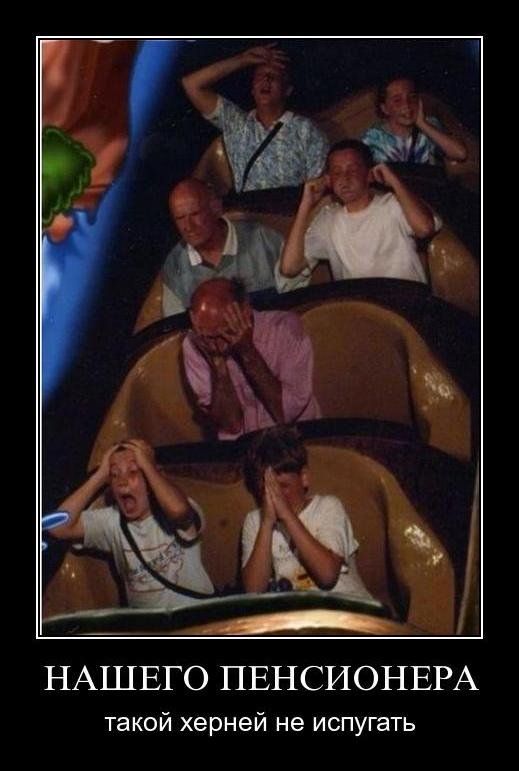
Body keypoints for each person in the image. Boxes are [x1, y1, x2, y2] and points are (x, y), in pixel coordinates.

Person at [50, 439, 215, 608]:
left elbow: (178, 510)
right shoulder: (112, 521)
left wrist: (148, 465)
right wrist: (99, 476)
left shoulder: (173, 509)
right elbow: (57, 527)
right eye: (115, 474)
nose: (122, 481)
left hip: (195, 616)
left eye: (133, 472)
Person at [280, 139, 442, 284]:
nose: (345, 178)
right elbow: (289, 268)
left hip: (404, 298)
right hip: (359, 303)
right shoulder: (329, 219)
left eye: (353, 170)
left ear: (369, 174)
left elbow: (425, 228)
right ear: (329, 180)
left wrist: (394, 182)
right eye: (337, 172)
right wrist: (305, 204)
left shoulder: (392, 205)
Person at [241, 426, 374, 599]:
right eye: (265, 489)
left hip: (347, 605)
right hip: (299, 613)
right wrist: (266, 524)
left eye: (283, 486)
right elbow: (253, 592)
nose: (274, 496)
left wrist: (287, 515)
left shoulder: (328, 507)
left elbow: (327, 576)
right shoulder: (255, 521)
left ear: (304, 477)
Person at [182, 277, 320, 440]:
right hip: (242, 446)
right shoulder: (196, 343)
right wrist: (218, 364)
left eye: (222, 334)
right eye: (208, 337)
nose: (216, 345)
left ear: (245, 311)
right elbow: (231, 425)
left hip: (296, 437)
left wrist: (247, 351)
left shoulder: (285, 329)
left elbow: (286, 413)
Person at [181, 43, 329, 192]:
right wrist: (242, 59)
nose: (266, 80)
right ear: (252, 89)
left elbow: (319, 188)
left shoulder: (306, 130)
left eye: (273, 76)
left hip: (292, 206)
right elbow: (191, 85)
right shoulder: (237, 123)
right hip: (248, 206)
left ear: (287, 90)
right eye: (260, 76)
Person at [162, 178, 309, 316]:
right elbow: (176, 325)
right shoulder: (175, 265)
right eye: (180, 218)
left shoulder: (264, 241)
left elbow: (300, 303)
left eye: (195, 214)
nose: (188, 226)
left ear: (215, 208)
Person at [362, 75, 467, 165]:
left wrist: (422, 124)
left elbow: (460, 154)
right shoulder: (373, 138)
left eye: (412, 97)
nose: (407, 105)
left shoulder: (430, 125)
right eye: (397, 101)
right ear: (385, 108)